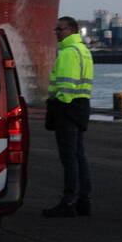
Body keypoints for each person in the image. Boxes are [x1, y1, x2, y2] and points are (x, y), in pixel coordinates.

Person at [42, 16, 94, 218]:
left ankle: (69, 201)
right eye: (56, 29)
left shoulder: (67, 53)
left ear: (71, 30)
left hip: (67, 108)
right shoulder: (84, 51)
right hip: (81, 107)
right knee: (79, 155)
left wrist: (57, 104)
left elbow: (65, 87)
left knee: (69, 158)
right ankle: (83, 200)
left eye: (60, 29)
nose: (56, 32)